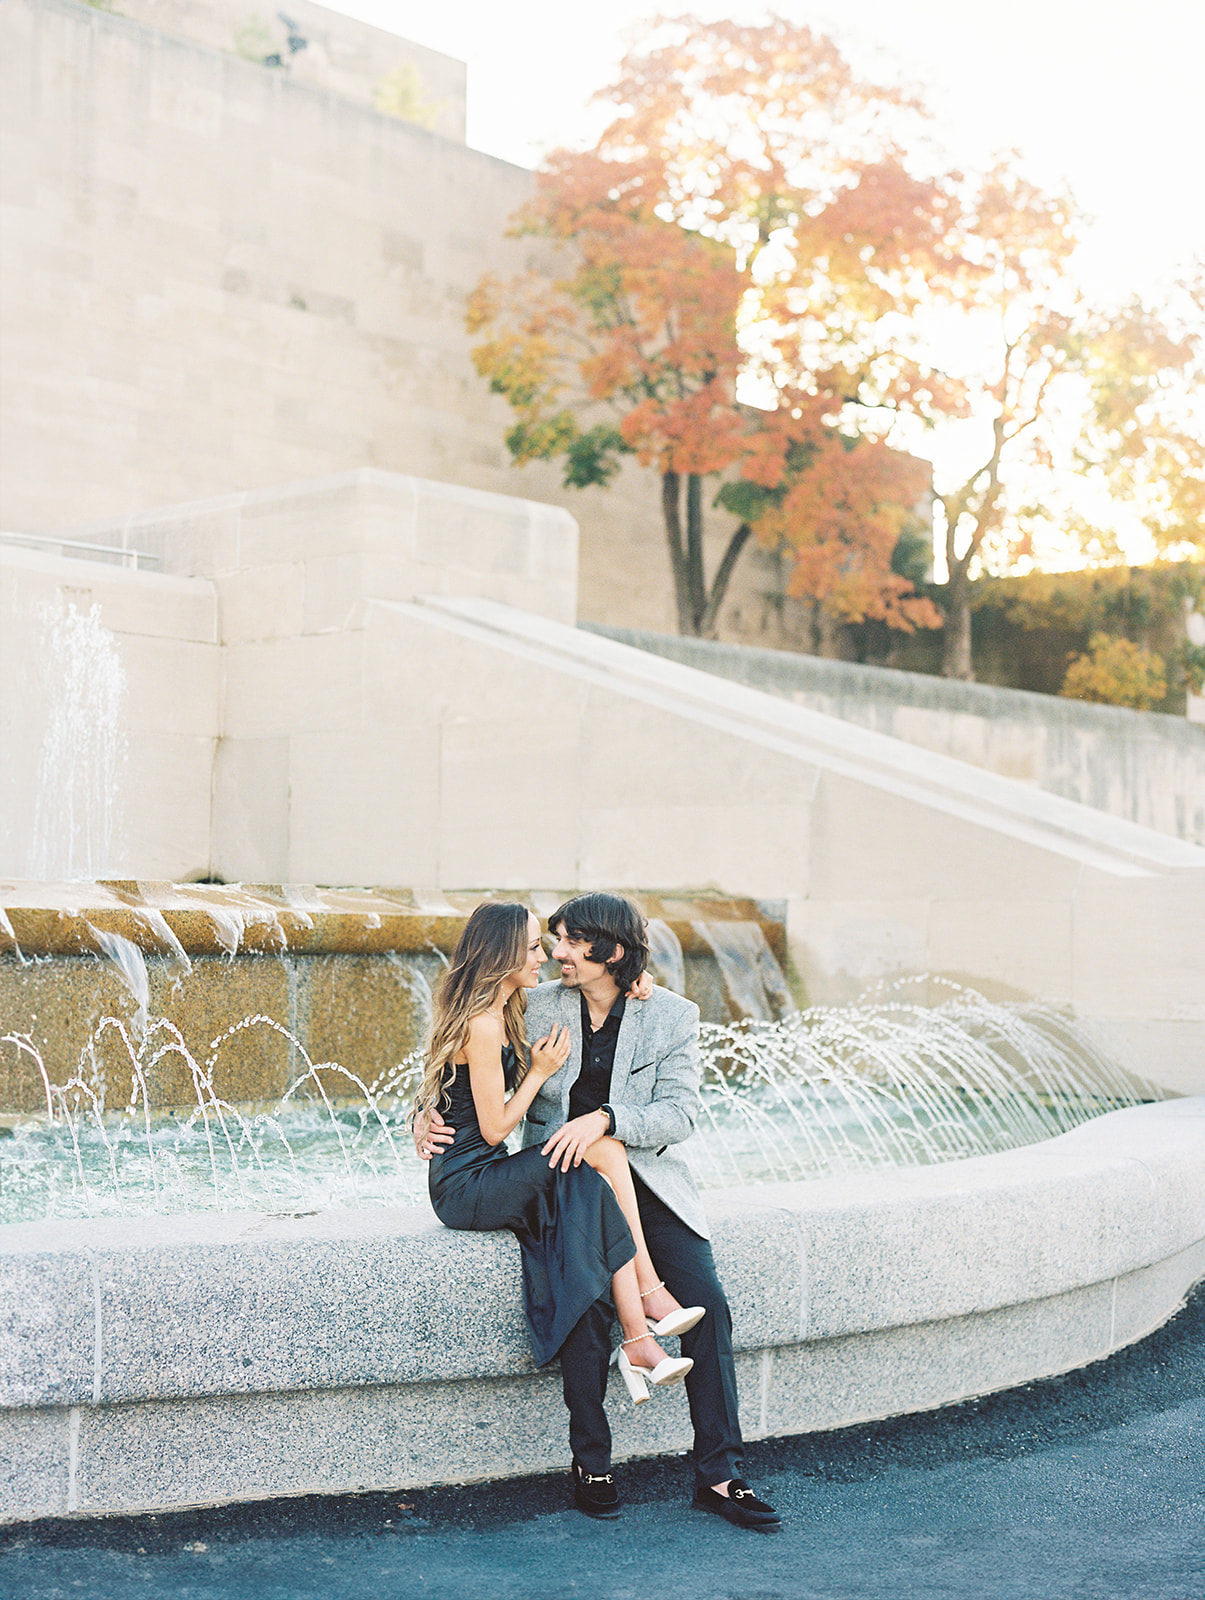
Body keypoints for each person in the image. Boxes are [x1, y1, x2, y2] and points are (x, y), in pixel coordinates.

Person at [420, 893, 782, 1532]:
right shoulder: (535, 1001)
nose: (556, 953)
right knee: (585, 1310)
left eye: (569, 943)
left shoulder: (670, 1014)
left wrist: (609, 1119)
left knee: (709, 1305)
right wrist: (420, 1120)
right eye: (549, 941)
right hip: (564, 1184)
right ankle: (592, 1465)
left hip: (650, 1189)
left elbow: (681, 1115)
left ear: (612, 953)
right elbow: (462, 1067)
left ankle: (721, 1475)